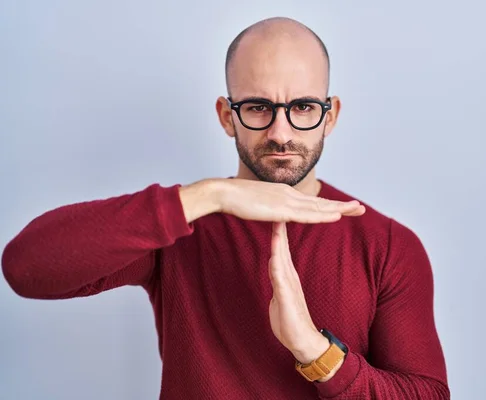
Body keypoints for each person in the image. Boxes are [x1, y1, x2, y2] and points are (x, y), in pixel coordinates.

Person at [1, 16, 450, 400]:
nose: (280, 132)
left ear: (329, 116)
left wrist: (316, 352)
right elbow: (26, 267)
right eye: (257, 107)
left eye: (303, 107)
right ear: (225, 115)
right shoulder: (182, 224)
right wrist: (210, 196)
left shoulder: (388, 245)